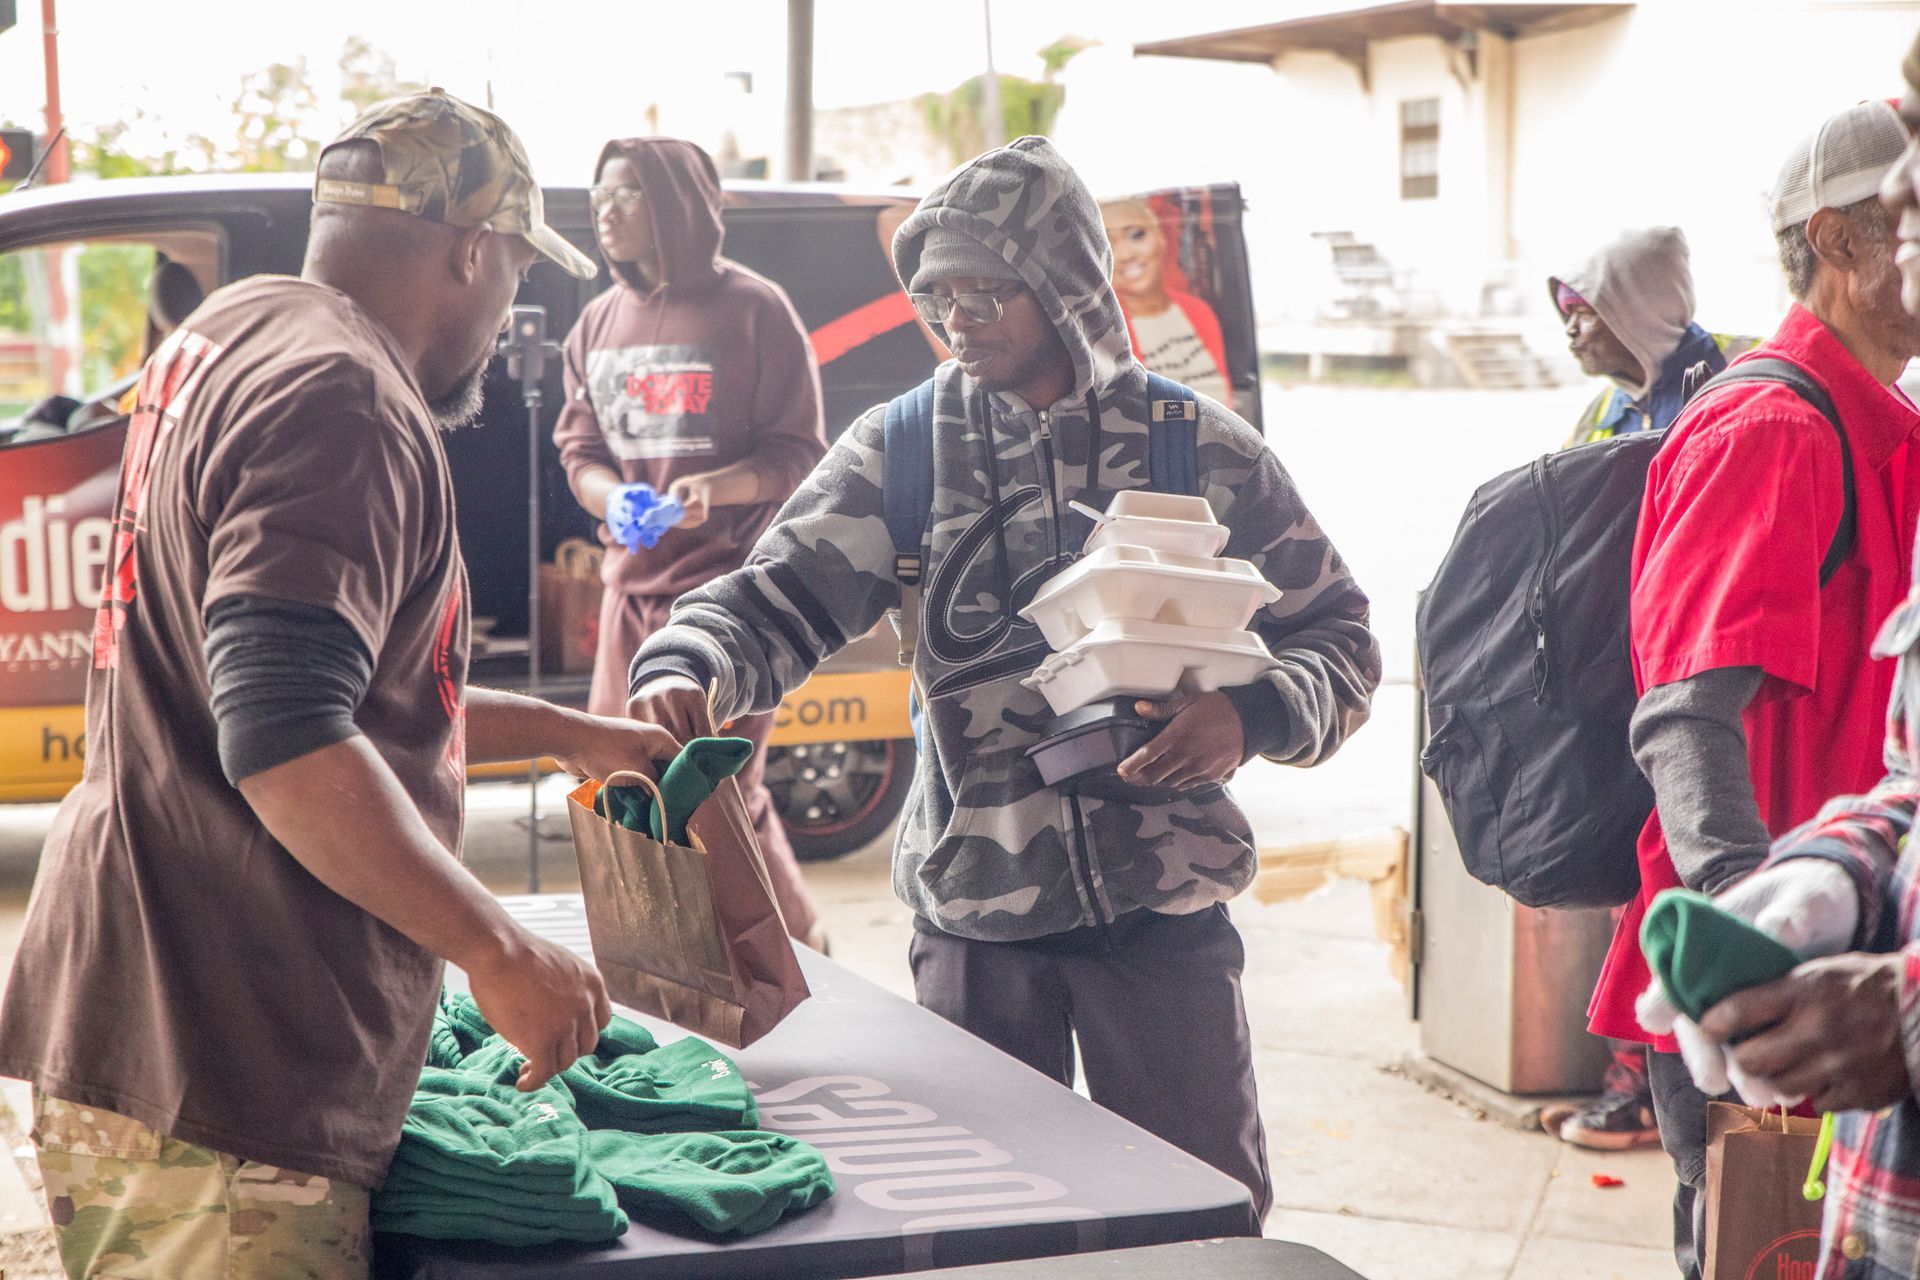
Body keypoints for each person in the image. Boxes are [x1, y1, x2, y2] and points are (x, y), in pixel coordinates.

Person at [628, 136, 1381, 1216]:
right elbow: (768, 600)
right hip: (976, 924)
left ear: (1067, 286)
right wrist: (686, 657)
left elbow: (1341, 638)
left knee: (1202, 1219)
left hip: (1161, 919)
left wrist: (1251, 712)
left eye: (988, 290)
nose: (959, 319)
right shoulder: (904, 449)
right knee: (989, 1226)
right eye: (939, 296)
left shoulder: (1197, 447)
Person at [0, 90, 677, 1279]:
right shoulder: (347, 397)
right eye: (517, 274)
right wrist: (498, 948)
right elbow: (289, 741)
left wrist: (573, 731)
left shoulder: (232, 328)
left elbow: (335, 689)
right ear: (472, 251)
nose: (510, 306)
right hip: (227, 1067)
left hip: (135, 1009)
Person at [1580, 98, 1920, 1280]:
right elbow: (1683, 714)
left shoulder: (1888, 424)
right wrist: (1750, 938)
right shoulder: (1774, 427)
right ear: (1838, 241)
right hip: (1770, 995)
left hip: (1856, 957)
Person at [554, 136, 827, 950]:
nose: (606, 211)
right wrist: (614, 497)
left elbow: (800, 454)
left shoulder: (754, 309)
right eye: (600, 194)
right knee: (623, 788)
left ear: (675, 204)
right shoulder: (596, 321)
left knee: (718, 790)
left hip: (728, 600)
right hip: (628, 593)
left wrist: (717, 490)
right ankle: (663, 968)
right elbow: (580, 452)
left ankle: (795, 955)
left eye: (628, 194)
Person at [1540, 227, 1754, 1154]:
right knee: (1629, 885)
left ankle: (1641, 1089)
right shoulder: (1601, 411)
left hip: (1700, 685)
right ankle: (1633, 1079)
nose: (1572, 330)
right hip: (1617, 683)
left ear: (1638, 308)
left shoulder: (1728, 389)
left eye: (1585, 309)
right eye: (1567, 311)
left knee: (1668, 888)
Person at [1552, 227, 1756, 447]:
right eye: (1568, 314)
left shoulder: (1754, 369)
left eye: (1583, 313)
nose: (1570, 329)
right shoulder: (1597, 417)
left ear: (1640, 312)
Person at [1100, 198, 1232, 408]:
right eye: (1108, 243)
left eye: (1136, 235)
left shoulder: (1198, 311)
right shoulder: (1104, 329)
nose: (1126, 254)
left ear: (1162, 238)